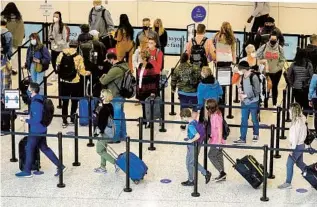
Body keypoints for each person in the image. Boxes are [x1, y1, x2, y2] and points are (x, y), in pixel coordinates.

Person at [15, 82, 66, 178]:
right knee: (44, 148)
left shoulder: (35, 103)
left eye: (29, 89)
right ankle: (60, 165)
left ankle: (27, 171)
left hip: (36, 130)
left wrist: (25, 120)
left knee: (29, 148)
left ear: (33, 91)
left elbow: (37, 119)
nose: (27, 90)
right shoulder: (40, 98)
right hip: (42, 128)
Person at [56, 40, 91, 128]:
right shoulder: (78, 57)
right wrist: (88, 72)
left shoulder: (61, 54)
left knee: (65, 102)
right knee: (74, 101)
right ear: (77, 46)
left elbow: (57, 66)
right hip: (75, 82)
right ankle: (72, 118)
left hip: (64, 82)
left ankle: (64, 120)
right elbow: (82, 71)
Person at [99, 53, 129, 142]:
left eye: (108, 61)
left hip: (115, 95)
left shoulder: (115, 70)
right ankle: (123, 135)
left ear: (111, 59)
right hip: (122, 95)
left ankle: (115, 138)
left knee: (116, 118)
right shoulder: (125, 66)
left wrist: (104, 75)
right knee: (121, 115)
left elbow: (103, 81)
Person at [278, 103, 307, 189]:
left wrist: (291, 149)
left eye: (290, 110)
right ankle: (313, 175)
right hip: (301, 145)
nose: (289, 112)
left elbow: (295, 138)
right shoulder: (302, 119)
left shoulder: (296, 125)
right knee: (300, 163)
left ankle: (288, 183)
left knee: (289, 164)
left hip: (296, 147)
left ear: (293, 112)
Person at [180, 108, 211, 186]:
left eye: (182, 118)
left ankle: (192, 180)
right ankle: (205, 173)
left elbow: (197, 135)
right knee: (191, 162)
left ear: (185, 116)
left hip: (193, 145)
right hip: (197, 144)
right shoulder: (194, 121)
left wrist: (190, 140)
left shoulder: (190, 125)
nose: (182, 119)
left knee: (189, 163)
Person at [234, 61, 261, 144]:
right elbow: (241, 85)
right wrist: (240, 91)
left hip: (253, 102)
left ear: (243, 69)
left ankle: (256, 134)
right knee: (244, 120)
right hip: (244, 102)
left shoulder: (254, 77)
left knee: (254, 119)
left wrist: (245, 95)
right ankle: (242, 138)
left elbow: (257, 91)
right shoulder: (242, 77)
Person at [94, 89, 120, 174]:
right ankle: (103, 167)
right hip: (109, 131)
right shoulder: (110, 106)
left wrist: (98, 132)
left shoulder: (104, 109)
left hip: (104, 133)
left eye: (102, 95)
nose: (100, 96)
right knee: (103, 149)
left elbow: (102, 123)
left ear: (105, 97)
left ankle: (115, 163)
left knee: (99, 150)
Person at [257, 31, 285, 108]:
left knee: (275, 87)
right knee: (266, 87)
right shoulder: (264, 47)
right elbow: (257, 55)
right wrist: (262, 64)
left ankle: (274, 103)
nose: (273, 41)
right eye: (271, 39)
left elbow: (282, 60)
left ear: (277, 40)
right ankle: (265, 103)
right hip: (266, 71)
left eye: (274, 39)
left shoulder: (280, 48)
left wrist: (278, 67)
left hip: (277, 72)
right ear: (269, 39)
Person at [171, 53, 200, 130]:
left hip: (182, 92)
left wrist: (173, 89)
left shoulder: (177, 69)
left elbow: (173, 80)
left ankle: (183, 124)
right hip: (194, 92)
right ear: (188, 59)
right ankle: (193, 124)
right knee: (194, 107)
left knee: (183, 107)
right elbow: (199, 78)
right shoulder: (195, 67)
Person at [136, 51, 160, 127]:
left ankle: (149, 121)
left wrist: (153, 91)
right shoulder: (140, 65)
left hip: (148, 89)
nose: (139, 58)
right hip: (140, 88)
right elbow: (139, 77)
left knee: (148, 106)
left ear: (144, 58)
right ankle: (144, 120)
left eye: (140, 57)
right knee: (143, 105)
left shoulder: (150, 66)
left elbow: (153, 79)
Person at [287, 48, 313, 117]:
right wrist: (308, 83)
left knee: (298, 104)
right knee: (305, 105)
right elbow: (311, 76)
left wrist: (292, 84)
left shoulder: (294, 64)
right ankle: (304, 119)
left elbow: (288, 75)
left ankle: (298, 118)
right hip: (306, 87)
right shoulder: (308, 64)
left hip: (296, 87)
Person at [205, 99, 227, 181]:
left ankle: (222, 172)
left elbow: (220, 130)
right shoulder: (215, 113)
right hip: (215, 139)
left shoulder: (216, 116)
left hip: (217, 141)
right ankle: (222, 174)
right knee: (219, 156)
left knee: (211, 155)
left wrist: (219, 143)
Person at [1, 2, 24, 75]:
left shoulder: (3, 17)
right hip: (15, 41)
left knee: (4, 54)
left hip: (5, 39)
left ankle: (4, 67)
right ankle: (14, 69)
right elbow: (21, 30)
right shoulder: (19, 18)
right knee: (15, 56)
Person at [49, 11, 69, 82]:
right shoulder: (51, 26)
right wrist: (51, 39)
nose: (55, 18)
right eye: (54, 16)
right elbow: (49, 36)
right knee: (53, 61)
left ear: (60, 17)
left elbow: (64, 39)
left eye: (56, 16)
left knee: (60, 62)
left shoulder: (63, 26)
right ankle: (56, 73)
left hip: (61, 48)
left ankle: (60, 74)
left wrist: (58, 43)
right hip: (53, 48)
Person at [0, 17, 13, 95]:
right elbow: (9, 48)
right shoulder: (8, 34)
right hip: (5, 59)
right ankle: (4, 97)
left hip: (2, 58)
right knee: (6, 80)